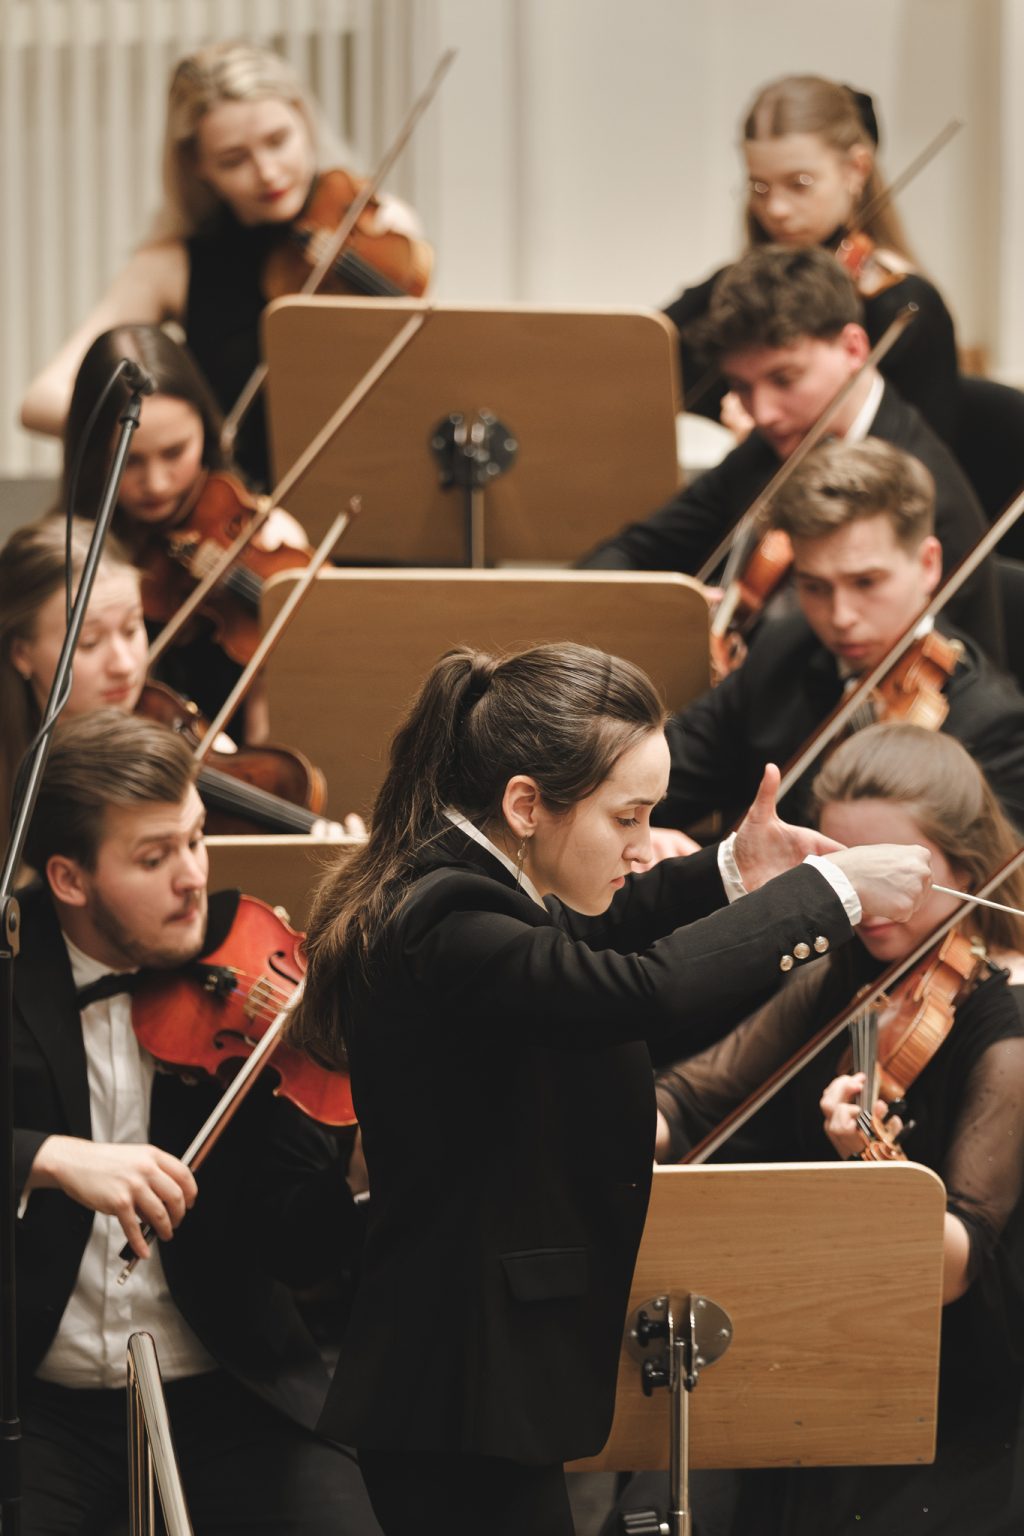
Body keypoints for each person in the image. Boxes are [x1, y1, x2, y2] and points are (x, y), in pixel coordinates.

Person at [286, 640, 932, 1535]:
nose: (641, 844)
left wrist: (736, 870)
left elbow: (596, 932)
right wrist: (831, 895)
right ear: (526, 804)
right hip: (457, 1375)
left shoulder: (470, 885)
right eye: (627, 817)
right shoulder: (449, 918)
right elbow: (640, 988)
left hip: (473, 1372)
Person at [643, 723, 1024, 1536]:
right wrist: (603, 1132)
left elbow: (959, 1264)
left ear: (965, 867)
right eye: (847, 868)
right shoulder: (846, 973)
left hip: (946, 1387)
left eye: (897, 869)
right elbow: (695, 1096)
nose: (869, 896)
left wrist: (876, 1168)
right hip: (821, 1334)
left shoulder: (1008, 1031)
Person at [13, 710, 382, 1535]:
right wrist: (47, 1156)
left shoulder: (247, 987)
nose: (192, 878)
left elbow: (297, 1249)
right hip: (37, 1404)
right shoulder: (11, 963)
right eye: (154, 858)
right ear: (69, 879)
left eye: (195, 838)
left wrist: (363, 1171)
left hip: (229, 1387)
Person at [20, 40, 424, 486]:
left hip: (378, 484)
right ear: (197, 165)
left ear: (304, 121)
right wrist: (172, 435)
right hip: (247, 508)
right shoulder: (170, 266)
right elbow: (41, 400)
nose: (268, 172)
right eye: (234, 160)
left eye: (278, 141)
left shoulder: (380, 227)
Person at [580, 245, 1001, 663]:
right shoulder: (777, 445)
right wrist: (661, 608)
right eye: (741, 387)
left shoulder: (925, 498)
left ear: (854, 349)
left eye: (784, 379)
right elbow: (633, 549)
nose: (762, 412)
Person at [656, 437, 1024, 839]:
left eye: (866, 582)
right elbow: (671, 769)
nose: (840, 617)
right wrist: (642, 833)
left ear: (928, 564)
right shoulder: (785, 645)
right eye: (814, 587)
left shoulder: (992, 727)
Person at [0, 515, 349, 848]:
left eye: (132, 629)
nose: (124, 665)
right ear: (21, 653)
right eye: (88, 643)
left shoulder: (191, 738)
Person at [664, 75, 959, 446]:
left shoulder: (904, 304)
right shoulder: (736, 286)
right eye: (759, 187)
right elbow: (647, 353)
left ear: (857, 169)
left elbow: (915, 461)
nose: (776, 209)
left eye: (799, 184)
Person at [61, 323, 310, 733]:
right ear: (92, 458)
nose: (157, 484)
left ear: (206, 433)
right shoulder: (69, 561)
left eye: (175, 452)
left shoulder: (264, 534)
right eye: (130, 461)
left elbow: (274, 719)